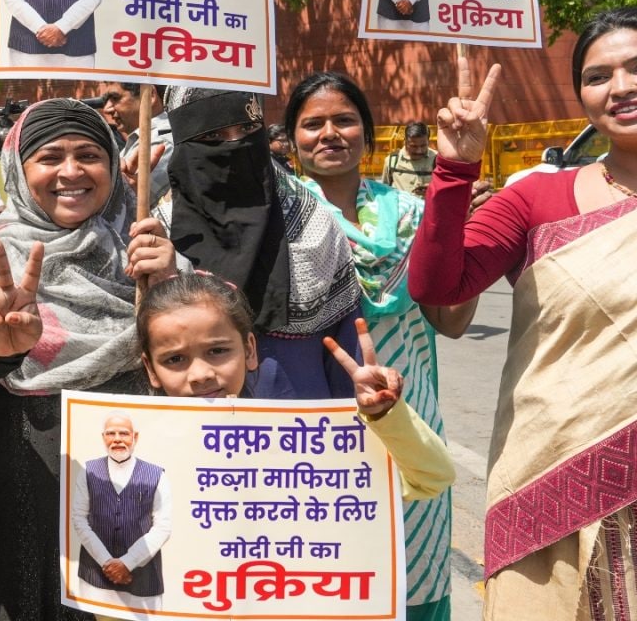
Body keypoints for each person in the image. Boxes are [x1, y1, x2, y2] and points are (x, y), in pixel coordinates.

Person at [0, 98, 186, 620]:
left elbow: (211, 363)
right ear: (18, 170)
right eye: (49, 157)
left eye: (88, 155)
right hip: (18, 497)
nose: (71, 171)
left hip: (137, 500)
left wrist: (172, 288)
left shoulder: (153, 257)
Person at [409, 8, 637, 620]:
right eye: (598, 76)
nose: (619, 87)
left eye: (635, 69)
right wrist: (456, 166)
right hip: (550, 477)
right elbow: (437, 284)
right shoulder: (538, 197)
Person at [285, 72, 479, 621]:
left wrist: (462, 251)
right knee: (322, 566)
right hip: (310, 424)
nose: (329, 133)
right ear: (292, 139)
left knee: (410, 565)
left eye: (344, 120)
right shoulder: (278, 220)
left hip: (408, 417)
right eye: (312, 123)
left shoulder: (416, 216)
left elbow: (449, 322)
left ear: (368, 137)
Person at [137, 272, 455, 499]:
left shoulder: (302, 445)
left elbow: (432, 478)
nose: (200, 374)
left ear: (249, 350)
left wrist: (386, 417)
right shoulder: (136, 449)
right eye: (175, 359)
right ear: (151, 368)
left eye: (217, 351)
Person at [157, 86, 364, 399]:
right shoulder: (156, 238)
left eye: (246, 130)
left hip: (304, 431)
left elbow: (348, 359)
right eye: (212, 138)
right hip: (191, 434)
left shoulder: (313, 225)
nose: (234, 147)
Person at [71, 413, 170, 614]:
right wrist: (107, 562)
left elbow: (163, 526)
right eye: (111, 433)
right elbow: (79, 518)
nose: (117, 439)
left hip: (143, 582)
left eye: (124, 433)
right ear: (103, 437)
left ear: (136, 437)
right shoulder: (88, 470)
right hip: (94, 580)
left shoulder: (156, 474)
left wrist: (127, 562)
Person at [103, 83, 174, 209]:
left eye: (115, 98)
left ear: (150, 95)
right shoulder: (141, 140)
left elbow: (121, 208)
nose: (107, 109)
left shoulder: (162, 143)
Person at [381, 121, 437, 196]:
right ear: (405, 142)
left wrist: (432, 190)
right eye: (414, 146)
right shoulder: (392, 161)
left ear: (428, 141)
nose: (419, 151)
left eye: (423, 146)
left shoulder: (437, 160)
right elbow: (384, 191)